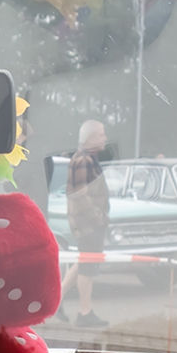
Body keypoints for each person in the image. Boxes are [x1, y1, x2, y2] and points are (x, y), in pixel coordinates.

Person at [60, 119, 110, 327]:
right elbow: (79, 194)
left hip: (88, 223)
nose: (105, 138)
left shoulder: (87, 158)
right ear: (90, 138)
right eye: (101, 134)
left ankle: (55, 302)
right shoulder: (84, 160)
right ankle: (84, 312)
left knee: (82, 262)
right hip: (89, 225)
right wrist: (98, 218)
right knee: (88, 268)